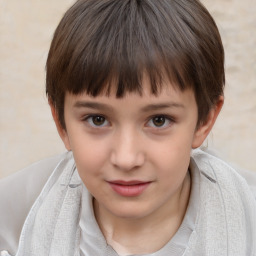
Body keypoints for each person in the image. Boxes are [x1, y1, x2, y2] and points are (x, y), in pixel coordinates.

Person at [0, 0, 256, 255]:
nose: (126, 158)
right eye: (97, 120)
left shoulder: (248, 218)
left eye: (159, 120)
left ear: (204, 120)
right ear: (62, 124)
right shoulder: (13, 224)